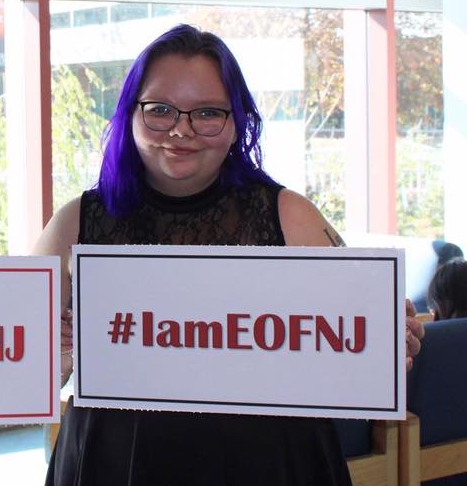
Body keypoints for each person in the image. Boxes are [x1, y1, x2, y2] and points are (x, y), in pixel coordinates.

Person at [36, 24, 425, 485]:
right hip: (116, 463)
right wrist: (50, 364)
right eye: (159, 110)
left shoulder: (289, 216)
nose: (180, 131)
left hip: (270, 464)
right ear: (129, 115)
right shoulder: (75, 222)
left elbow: (355, 345)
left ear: (237, 121)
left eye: (207, 113)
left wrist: (387, 345)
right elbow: (19, 365)